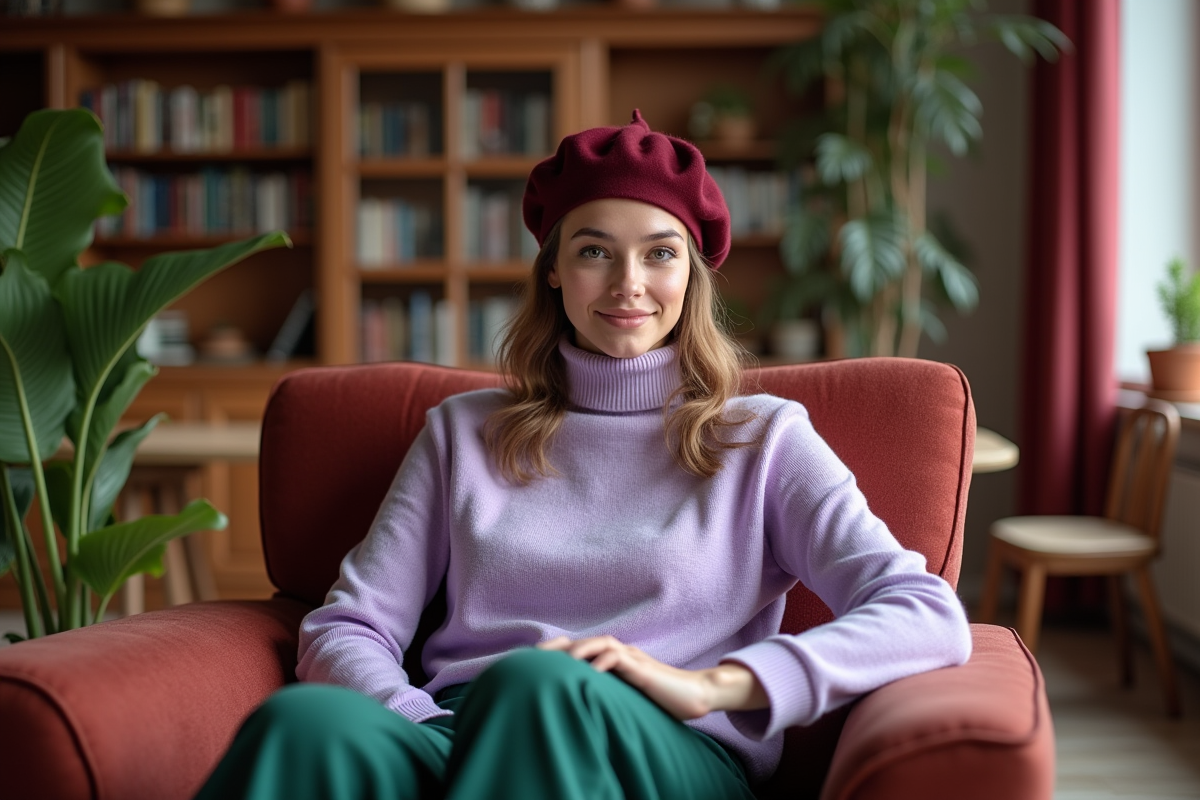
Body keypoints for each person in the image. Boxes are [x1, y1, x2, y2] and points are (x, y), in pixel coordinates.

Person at [194, 110, 971, 800]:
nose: (629, 284)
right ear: (555, 272)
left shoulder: (762, 438)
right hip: (464, 728)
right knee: (305, 724)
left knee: (539, 684)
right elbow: (346, 627)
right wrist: (416, 721)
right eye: (595, 251)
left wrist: (714, 686)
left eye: (659, 254)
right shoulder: (461, 433)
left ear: (691, 278)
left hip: (668, 746)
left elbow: (925, 612)